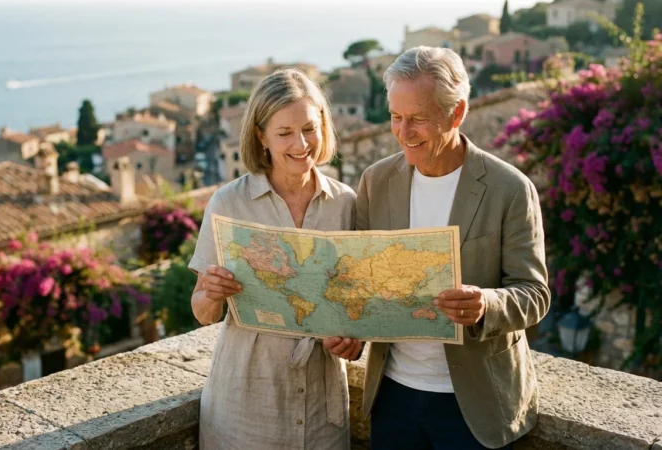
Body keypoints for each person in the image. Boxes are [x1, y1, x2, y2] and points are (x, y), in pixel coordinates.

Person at [356, 46, 551, 450]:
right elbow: (360, 281)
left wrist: (486, 305)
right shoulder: (375, 182)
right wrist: (347, 330)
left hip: (476, 407)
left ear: (457, 113)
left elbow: (535, 294)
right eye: (395, 117)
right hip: (392, 396)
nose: (403, 132)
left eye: (418, 119)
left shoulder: (510, 189)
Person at [188, 68, 362, 450]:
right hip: (244, 409)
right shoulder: (228, 202)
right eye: (284, 133)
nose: (301, 144)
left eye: (309, 129)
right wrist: (213, 292)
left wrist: (354, 341)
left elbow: (355, 304)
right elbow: (203, 312)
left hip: (322, 413)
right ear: (260, 136)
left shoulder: (346, 204)